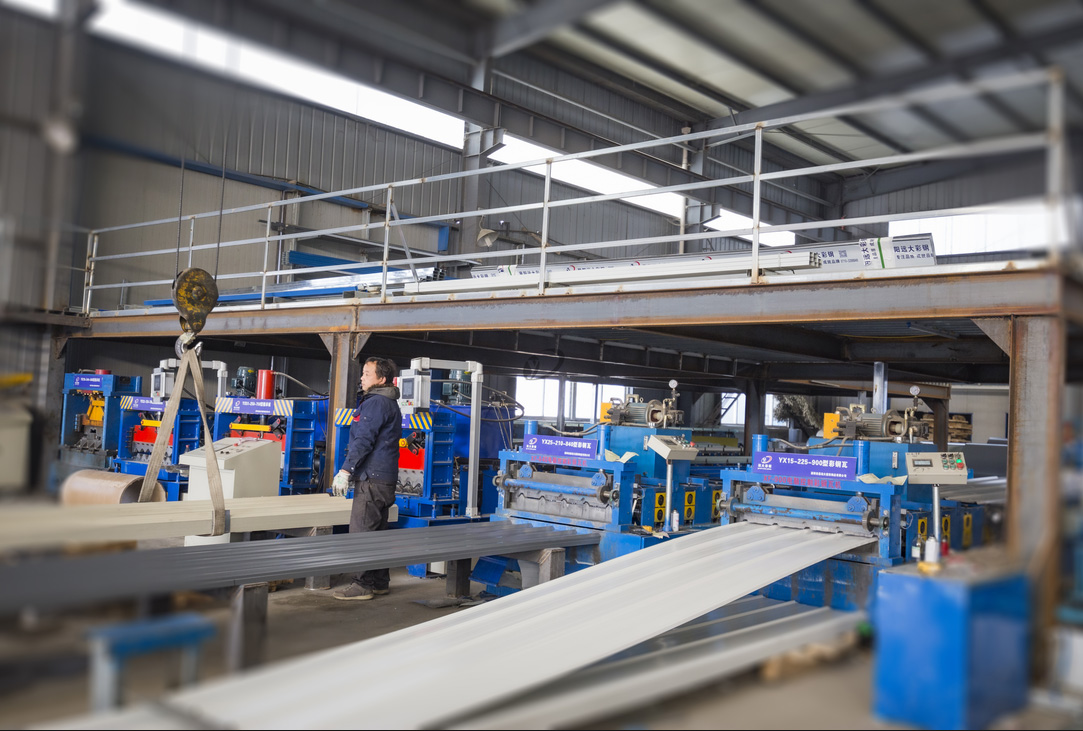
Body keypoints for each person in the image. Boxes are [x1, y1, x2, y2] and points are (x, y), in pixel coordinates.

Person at [331, 357, 401, 601]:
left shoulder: (376, 403)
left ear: (381, 379)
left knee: (361, 532)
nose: (361, 378)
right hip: (385, 478)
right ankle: (379, 582)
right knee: (377, 533)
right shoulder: (389, 402)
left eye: (367, 374)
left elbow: (363, 440)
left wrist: (345, 471)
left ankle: (362, 585)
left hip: (371, 478)